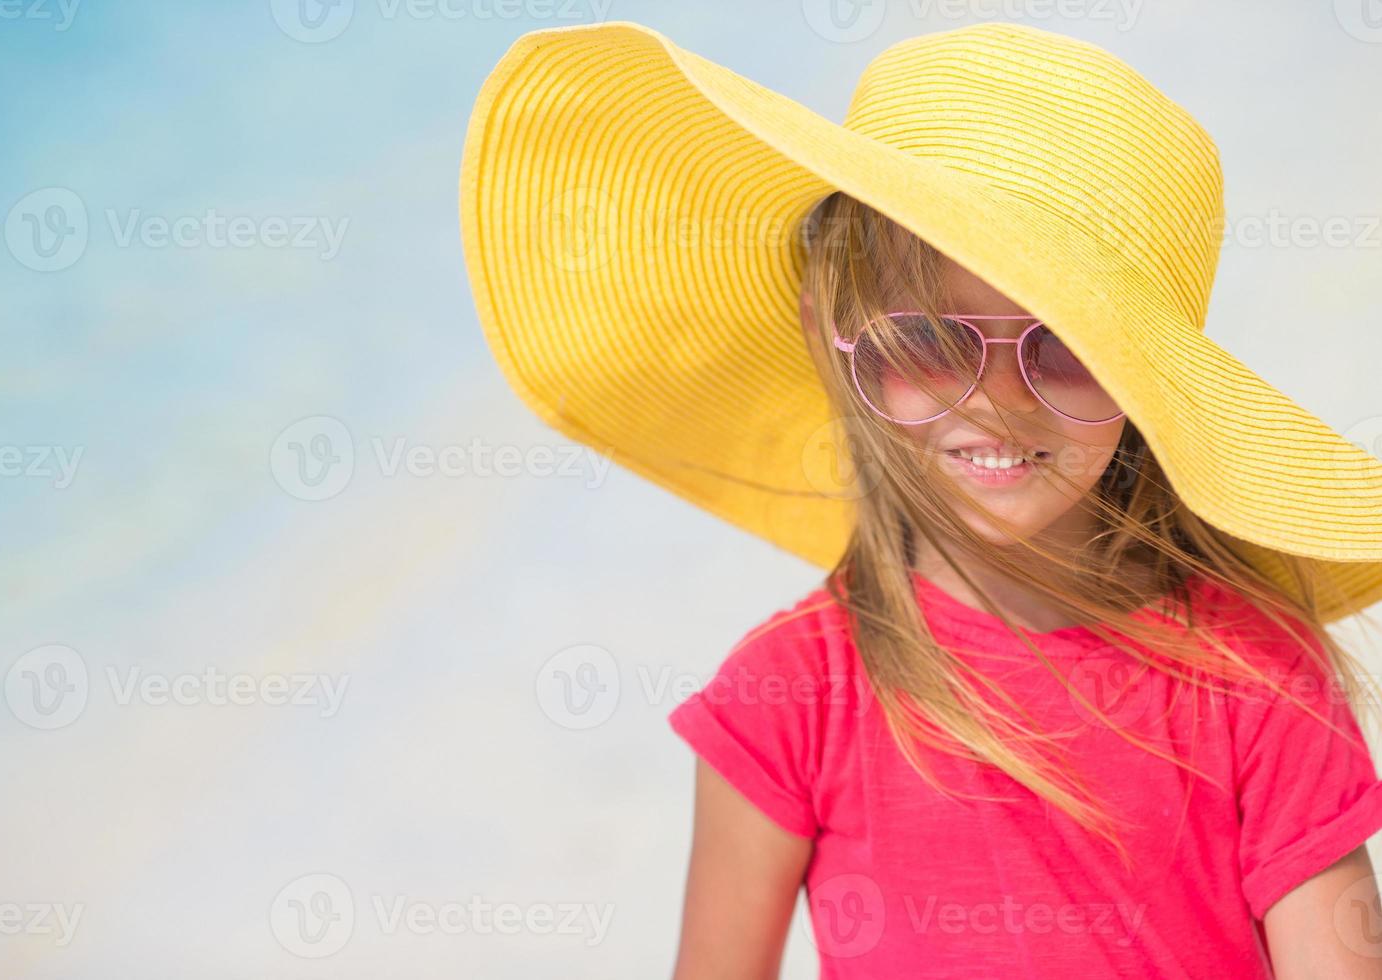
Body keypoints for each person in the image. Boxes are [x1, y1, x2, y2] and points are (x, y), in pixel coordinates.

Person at [459, 19, 1382, 978]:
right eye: (932, 341)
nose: (998, 400)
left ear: (1145, 381)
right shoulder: (792, 697)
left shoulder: (1256, 680)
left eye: (1065, 345)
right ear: (834, 335)